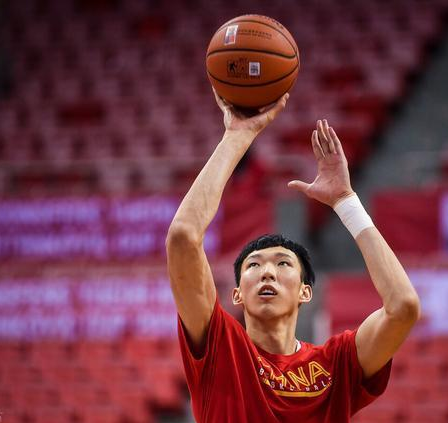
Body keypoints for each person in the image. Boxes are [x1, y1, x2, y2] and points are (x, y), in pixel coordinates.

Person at [165, 90, 421, 423]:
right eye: (253, 265)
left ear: (305, 292)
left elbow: (403, 307)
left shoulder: (336, 364)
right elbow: (183, 237)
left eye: (283, 263)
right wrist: (237, 137)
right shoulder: (220, 348)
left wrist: (346, 202)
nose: (267, 272)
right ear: (237, 294)